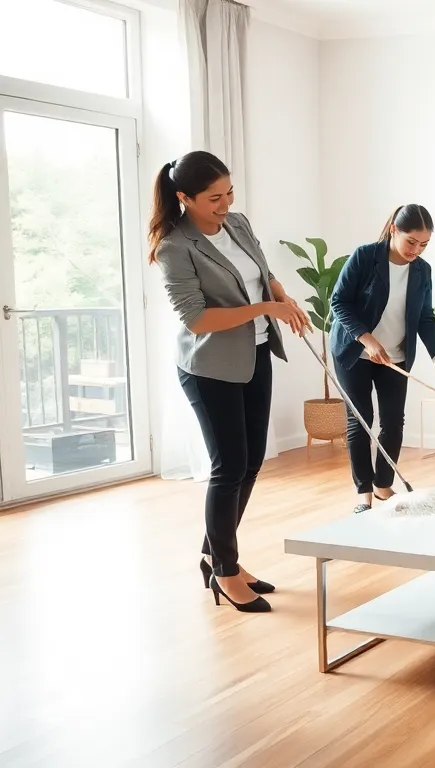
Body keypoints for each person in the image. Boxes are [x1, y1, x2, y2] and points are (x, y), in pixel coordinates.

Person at [150, 150, 311, 613]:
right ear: (184, 198)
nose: (225, 204)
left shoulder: (237, 224)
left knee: (252, 461)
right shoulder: (174, 247)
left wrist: (280, 295)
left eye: (229, 193)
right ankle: (225, 570)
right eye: (214, 198)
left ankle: (216, 555)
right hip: (208, 368)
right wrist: (265, 309)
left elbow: (262, 272)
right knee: (229, 467)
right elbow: (196, 320)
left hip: (255, 354)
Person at [329, 204, 435, 514]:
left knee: (393, 423)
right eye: (411, 241)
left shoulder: (422, 270)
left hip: (395, 357)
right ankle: (363, 493)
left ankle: (383, 485)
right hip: (355, 352)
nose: (417, 249)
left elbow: (425, 318)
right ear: (394, 231)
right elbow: (339, 301)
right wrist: (367, 339)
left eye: (424, 244)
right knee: (360, 422)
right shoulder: (365, 256)